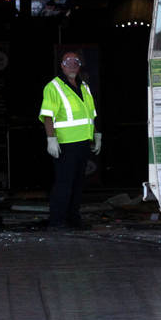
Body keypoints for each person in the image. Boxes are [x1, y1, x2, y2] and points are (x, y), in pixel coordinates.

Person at [40, 51, 101, 230]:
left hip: (82, 142)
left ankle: (73, 220)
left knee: (77, 184)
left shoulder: (84, 87)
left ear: (80, 65)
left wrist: (97, 134)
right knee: (63, 184)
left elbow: (90, 115)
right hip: (65, 144)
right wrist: (51, 139)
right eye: (68, 61)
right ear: (62, 65)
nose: (72, 64)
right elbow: (48, 116)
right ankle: (57, 221)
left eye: (76, 61)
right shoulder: (54, 87)